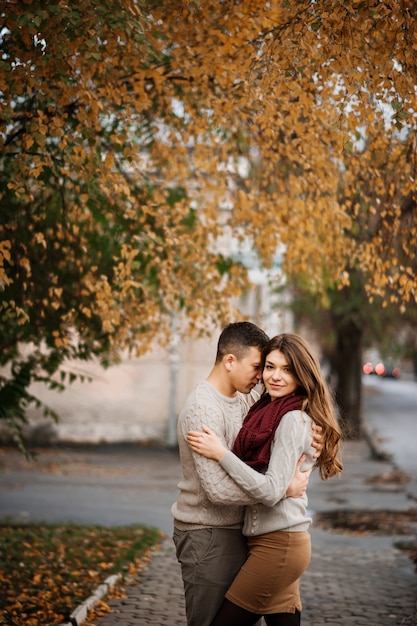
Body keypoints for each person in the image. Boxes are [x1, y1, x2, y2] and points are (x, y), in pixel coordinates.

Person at [171, 323, 323, 626]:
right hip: (208, 533)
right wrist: (281, 489)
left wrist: (309, 446)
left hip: (252, 534)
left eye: (265, 368)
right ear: (230, 361)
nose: (263, 377)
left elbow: (285, 438)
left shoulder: (251, 403)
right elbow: (216, 489)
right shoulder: (203, 409)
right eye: (260, 367)